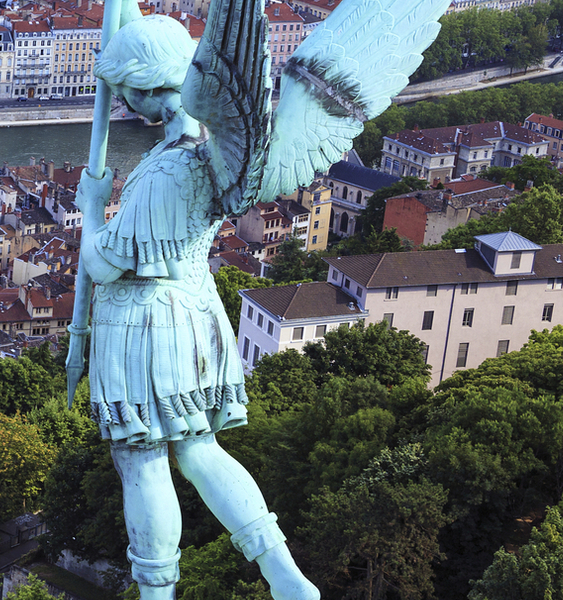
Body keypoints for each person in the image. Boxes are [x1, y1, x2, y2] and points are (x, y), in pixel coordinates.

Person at [68, 0, 448, 597]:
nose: (121, 104)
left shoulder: (169, 173)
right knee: (199, 450)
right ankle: (283, 574)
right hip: (195, 313)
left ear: (143, 90)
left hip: (142, 322)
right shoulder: (211, 148)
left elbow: (103, 263)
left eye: (124, 90)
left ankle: (157, 591)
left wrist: (91, 210)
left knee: (141, 459)